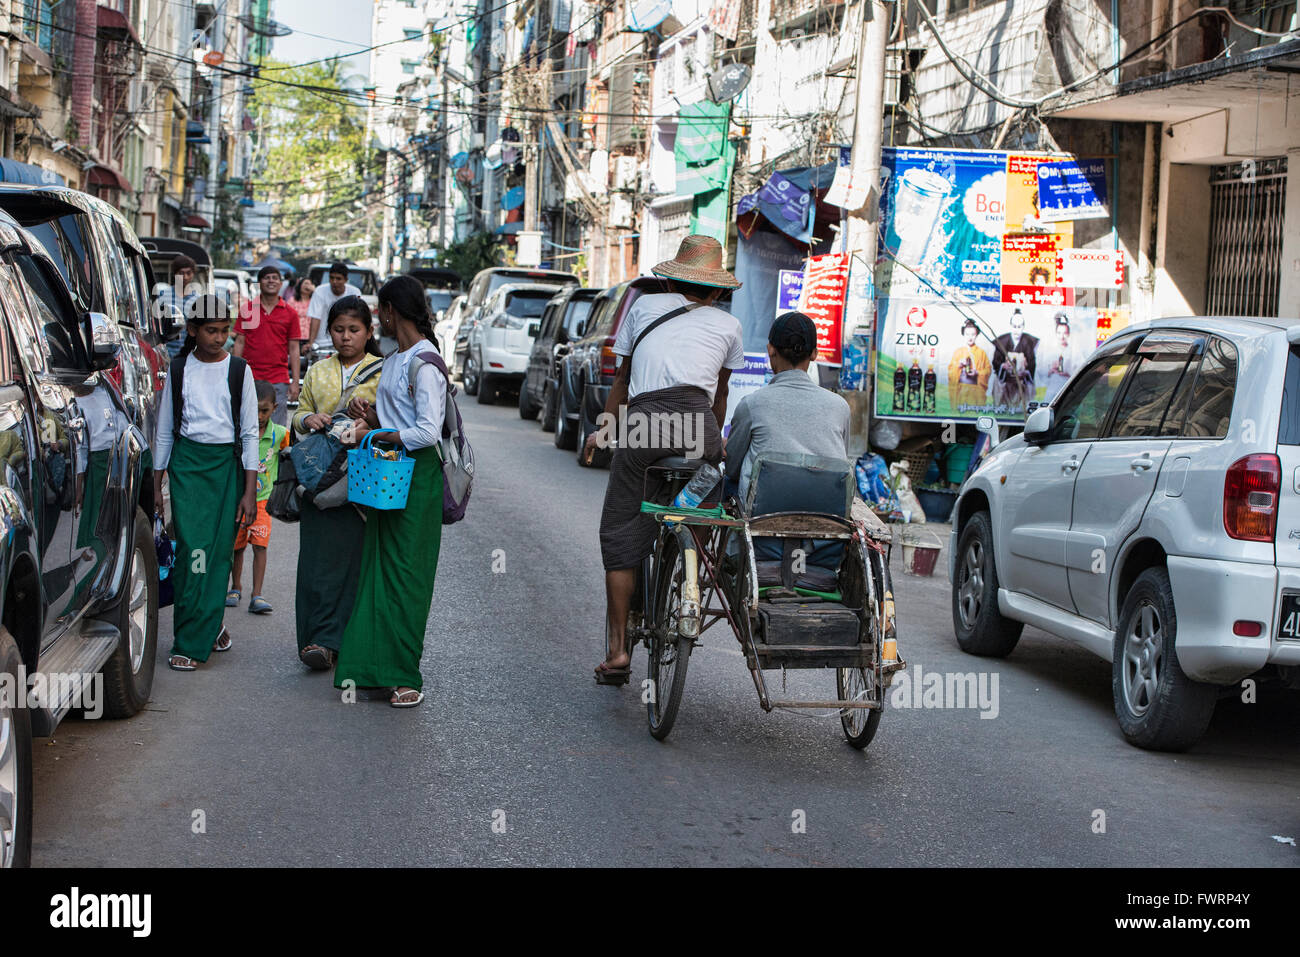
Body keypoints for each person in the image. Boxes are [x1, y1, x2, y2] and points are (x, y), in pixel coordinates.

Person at [588, 235, 744, 685]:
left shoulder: (642, 310)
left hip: (642, 427)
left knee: (620, 534)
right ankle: (689, 553)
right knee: (703, 490)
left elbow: (622, 382)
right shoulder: (728, 326)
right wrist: (715, 442)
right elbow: (719, 395)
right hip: (699, 430)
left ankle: (618, 653)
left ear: (672, 279)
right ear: (716, 290)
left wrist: (603, 430)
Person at [339, 276, 446, 708]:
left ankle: (405, 675)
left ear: (388, 312)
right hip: (388, 475)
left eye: (378, 311)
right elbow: (397, 415)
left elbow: (427, 431)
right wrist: (373, 414)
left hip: (417, 477)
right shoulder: (396, 357)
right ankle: (372, 668)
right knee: (379, 570)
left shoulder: (426, 361)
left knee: (407, 577)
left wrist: (383, 432)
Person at [153, 295, 259, 672]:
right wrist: (156, 483)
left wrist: (250, 491)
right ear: (193, 331)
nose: (219, 338)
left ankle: (207, 625)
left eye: (225, 331)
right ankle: (191, 637)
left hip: (226, 470)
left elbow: (249, 433)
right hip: (187, 468)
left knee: (216, 556)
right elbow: (165, 430)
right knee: (192, 554)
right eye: (211, 331)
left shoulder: (239, 370)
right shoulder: (179, 369)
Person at [292, 296, 383, 671]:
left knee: (351, 563)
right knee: (315, 562)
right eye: (338, 330)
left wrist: (371, 417)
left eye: (354, 330)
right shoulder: (317, 371)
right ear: (329, 331)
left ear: (369, 332)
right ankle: (315, 639)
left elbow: (392, 420)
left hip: (360, 481)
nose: (346, 337)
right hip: (317, 479)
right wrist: (309, 418)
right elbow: (297, 412)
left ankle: (336, 640)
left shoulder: (382, 370)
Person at [724, 312, 849, 503]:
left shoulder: (752, 403)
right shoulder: (840, 406)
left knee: (726, 483)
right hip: (827, 510)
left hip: (764, 511)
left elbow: (732, 468)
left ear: (771, 350)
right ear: (814, 353)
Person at [227, 380, 290, 615]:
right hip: (241, 499)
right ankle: (236, 587)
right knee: (237, 547)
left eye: (264, 410)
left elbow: (292, 448)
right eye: (254, 410)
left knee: (260, 547)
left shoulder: (279, 434)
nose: (260, 416)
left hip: (264, 502)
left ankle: (257, 594)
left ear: (274, 408)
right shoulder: (240, 434)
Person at [232, 265, 302, 426]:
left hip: (278, 378)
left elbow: (294, 348)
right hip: (249, 376)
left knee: (276, 428)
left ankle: (273, 453)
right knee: (246, 423)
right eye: (266, 277)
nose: (271, 281)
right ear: (259, 283)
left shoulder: (290, 312)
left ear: (280, 283)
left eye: (275, 278)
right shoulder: (248, 309)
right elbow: (239, 342)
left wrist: (295, 381)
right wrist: (234, 375)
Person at [307, 262, 361, 359]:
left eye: (338, 279)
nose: (334, 282)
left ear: (346, 279)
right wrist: (311, 343)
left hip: (347, 342)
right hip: (322, 343)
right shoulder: (319, 291)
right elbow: (315, 318)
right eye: (332, 278)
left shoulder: (354, 293)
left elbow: (359, 319)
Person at [990, 309, 1038, 410]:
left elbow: (1032, 364)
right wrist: (1003, 366)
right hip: (1004, 382)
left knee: (1022, 408)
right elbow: (996, 363)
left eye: (1019, 327)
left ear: (1023, 327)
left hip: (1021, 383)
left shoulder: (1028, 342)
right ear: (1010, 326)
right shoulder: (1001, 341)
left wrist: (1025, 371)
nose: (1017, 330)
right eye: (1014, 326)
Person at [947, 317, 991, 412]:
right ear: (963, 334)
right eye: (967, 334)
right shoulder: (958, 352)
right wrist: (958, 366)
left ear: (976, 335)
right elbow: (950, 371)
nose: (970, 337)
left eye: (973, 334)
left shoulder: (981, 353)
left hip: (976, 391)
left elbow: (988, 370)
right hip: (961, 390)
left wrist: (978, 373)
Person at [161, 255, 199, 359]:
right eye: (181, 273)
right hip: (165, 351)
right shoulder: (163, 296)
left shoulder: (197, 299)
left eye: (188, 273)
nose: (185, 277)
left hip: (188, 353)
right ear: (175, 274)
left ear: (193, 274)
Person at [1036, 312, 1078, 404]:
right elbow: (1041, 371)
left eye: (1065, 333)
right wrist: (1051, 369)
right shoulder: (1050, 351)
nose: (1062, 336)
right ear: (1056, 333)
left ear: (1069, 334)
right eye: (1059, 333)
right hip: (1051, 390)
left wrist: (1067, 373)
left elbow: (1079, 370)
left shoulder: (1073, 352)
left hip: (1068, 389)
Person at [290, 276, 316, 341]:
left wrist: (315, 291)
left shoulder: (314, 301)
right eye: (306, 283)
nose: (308, 286)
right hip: (294, 336)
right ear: (300, 286)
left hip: (309, 338)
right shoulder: (292, 300)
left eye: (310, 284)